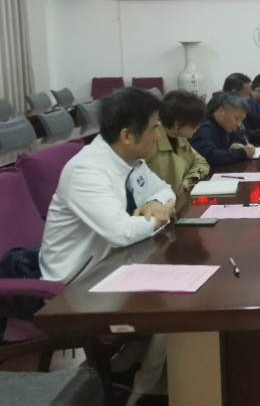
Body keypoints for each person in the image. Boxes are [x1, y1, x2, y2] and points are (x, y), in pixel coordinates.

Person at [38, 87, 176, 406]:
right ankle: (145, 393)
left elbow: (167, 191)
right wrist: (158, 217)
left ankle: (126, 370)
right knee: (176, 308)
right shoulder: (87, 171)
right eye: (154, 128)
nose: (158, 136)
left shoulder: (131, 160)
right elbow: (122, 232)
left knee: (183, 292)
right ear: (127, 135)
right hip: (75, 284)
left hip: (115, 265)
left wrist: (157, 205)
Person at [146, 90, 210, 195]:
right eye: (195, 123)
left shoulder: (179, 137)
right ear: (177, 124)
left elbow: (201, 162)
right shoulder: (151, 141)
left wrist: (189, 179)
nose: (198, 127)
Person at [190, 92, 255, 166]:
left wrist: (236, 144)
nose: (238, 124)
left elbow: (240, 136)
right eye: (237, 119)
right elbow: (210, 157)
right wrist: (242, 153)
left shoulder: (225, 124)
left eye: (241, 120)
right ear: (222, 112)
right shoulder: (203, 128)